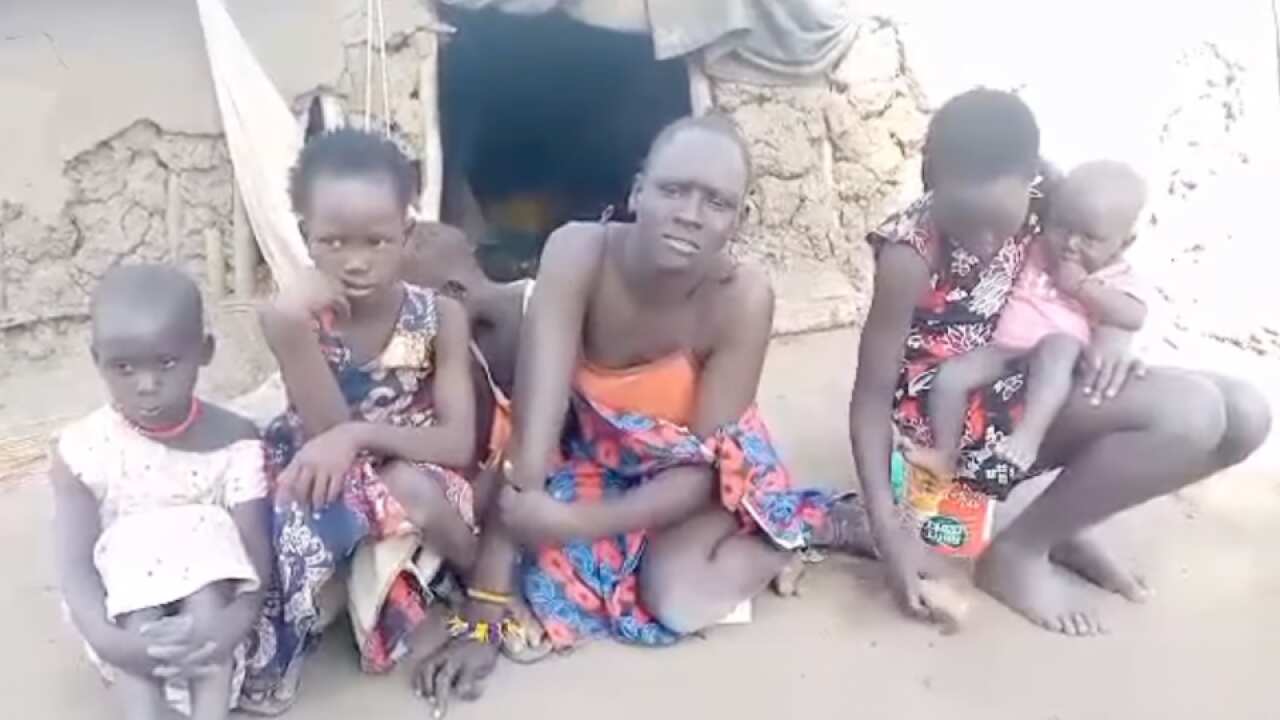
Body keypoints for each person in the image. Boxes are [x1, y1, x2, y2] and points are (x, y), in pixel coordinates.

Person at [412, 114, 874, 716]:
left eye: (716, 201)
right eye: (673, 189)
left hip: (697, 475)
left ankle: (796, 531)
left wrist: (571, 524)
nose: (689, 212)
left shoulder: (742, 300)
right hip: (596, 453)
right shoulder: (576, 252)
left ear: (740, 221)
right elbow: (534, 434)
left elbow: (706, 469)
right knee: (516, 559)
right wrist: (483, 610)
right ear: (636, 192)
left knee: (677, 597)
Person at [850, 88, 1272, 636]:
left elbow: (1108, 258)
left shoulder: (1052, 195)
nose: (982, 242)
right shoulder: (909, 253)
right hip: (954, 416)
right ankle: (1018, 554)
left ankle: (1064, 519)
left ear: (1033, 179)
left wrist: (1114, 340)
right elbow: (869, 400)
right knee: (1192, 415)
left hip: (1039, 379)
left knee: (1246, 414)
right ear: (931, 177)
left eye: (998, 223)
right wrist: (890, 534)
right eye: (964, 220)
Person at [240, 128, 478, 713]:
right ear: (305, 238)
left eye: (376, 241)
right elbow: (324, 433)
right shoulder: (295, 318)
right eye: (333, 242)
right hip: (326, 464)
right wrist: (289, 330)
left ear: (407, 233)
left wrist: (359, 435)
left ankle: (481, 585)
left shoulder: (440, 316)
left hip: (410, 461)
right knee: (282, 504)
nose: (355, 261)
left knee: (409, 485)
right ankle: (328, 605)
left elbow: (457, 441)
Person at [51, 264, 271, 719]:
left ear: (204, 351)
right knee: (134, 552)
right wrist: (114, 642)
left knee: (204, 534)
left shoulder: (236, 440)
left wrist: (230, 626)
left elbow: (255, 557)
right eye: (123, 367)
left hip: (213, 627)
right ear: (97, 360)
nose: (147, 385)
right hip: (127, 626)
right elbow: (74, 566)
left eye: (167, 363)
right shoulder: (83, 450)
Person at [908, 160, 1152, 480]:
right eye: (1063, 227)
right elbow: (1044, 177)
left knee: (1060, 346)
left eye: (1089, 238)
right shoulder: (1040, 245)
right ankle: (944, 454)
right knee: (950, 377)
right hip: (1004, 351)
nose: (1071, 244)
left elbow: (1134, 315)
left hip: (1057, 365)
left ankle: (1029, 435)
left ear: (1124, 242)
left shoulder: (1116, 274)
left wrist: (1081, 288)